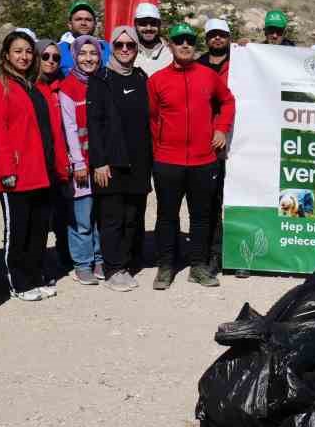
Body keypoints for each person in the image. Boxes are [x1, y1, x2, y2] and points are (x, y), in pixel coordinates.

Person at [148, 23, 235, 288]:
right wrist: (159, 151)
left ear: (195, 45)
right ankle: (166, 266)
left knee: (201, 216)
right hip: (168, 161)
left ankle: (197, 266)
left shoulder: (208, 75)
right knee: (167, 215)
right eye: (179, 41)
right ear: (171, 45)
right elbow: (152, 119)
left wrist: (221, 128)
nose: (185, 45)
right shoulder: (157, 80)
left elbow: (228, 101)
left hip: (203, 159)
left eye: (189, 40)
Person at [0, 29, 69, 300]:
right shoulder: (2, 86)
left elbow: (49, 130)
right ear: (6, 55)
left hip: (41, 171)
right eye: (17, 51)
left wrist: (58, 165)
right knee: (19, 230)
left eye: (27, 51)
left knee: (37, 231)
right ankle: (19, 282)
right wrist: (6, 170)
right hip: (17, 174)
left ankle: (35, 276)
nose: (23, 56)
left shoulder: (34, 86)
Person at [84, 25, 152, 293]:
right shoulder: (101, 79)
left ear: (136, 49)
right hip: (110, 163)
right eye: (119, 45)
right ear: (111, 47)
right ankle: (113, 268)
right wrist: (99, 161)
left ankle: (126, 262)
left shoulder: (141, 78)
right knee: (111, 218)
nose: (125, 49)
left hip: (138, 161)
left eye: (130, 45)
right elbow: (94, 123)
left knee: (132, 216)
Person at [57, 34, 104, 285]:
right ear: (75, 56)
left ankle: (99, 258)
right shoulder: (68, 87)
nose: (89, 58)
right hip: (82, 164)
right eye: (83, 54)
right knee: (82, 217)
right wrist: (79, 163)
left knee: (99, 214)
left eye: (93, 53)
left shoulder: (101, 82)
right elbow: (70, 127)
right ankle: (82, 263)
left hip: (101, 162)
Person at [199, 18, 234, 274]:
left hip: (239, 139)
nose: (217, 39)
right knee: (211, 201)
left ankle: (238, 252)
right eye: (213, 35)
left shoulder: (242, 60)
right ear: (207, 38)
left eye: (222, 34)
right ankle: (213, 253)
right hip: (207, 143)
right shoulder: (198, 64)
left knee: (237, 198)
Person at [132, 3, 172, 76]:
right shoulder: (127, 52)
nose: (148, 28)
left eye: (153, 23)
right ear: (135, 24)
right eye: (143, 23)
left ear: (159, 24)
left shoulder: (171, 53)